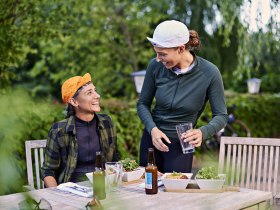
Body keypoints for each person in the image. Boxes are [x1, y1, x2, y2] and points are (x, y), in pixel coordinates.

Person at [137, 20, 228, 173]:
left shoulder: (210, 73)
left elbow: (221, 115)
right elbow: (142, 104)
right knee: (147, 189)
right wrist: (152, 129)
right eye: (157, 53)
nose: (158, 59)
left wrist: (202, 132)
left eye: (162, 54)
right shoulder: (155, 66)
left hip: (181, 144)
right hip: (152, 140)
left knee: (175, 194)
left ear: (180, 49)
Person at [41, 73, 119, 187]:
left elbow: (115, 160)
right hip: (72, 190)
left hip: (104, 187)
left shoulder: (107, 122)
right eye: (89, 93)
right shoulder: (59, 131)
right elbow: (48, 172)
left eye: (95, 90)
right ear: (74, 102)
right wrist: (59, 197)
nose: (97, 95)